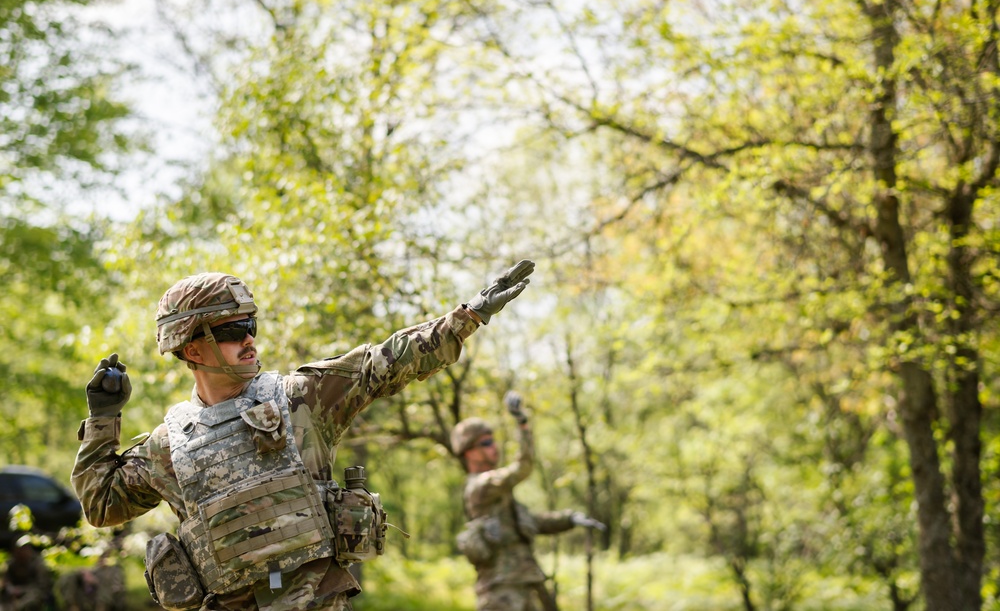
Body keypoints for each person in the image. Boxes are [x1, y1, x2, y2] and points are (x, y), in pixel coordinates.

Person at [72, 260, 534, 611]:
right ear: (192, 348)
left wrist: (467, 316)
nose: (250, 338)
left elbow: (382, 364)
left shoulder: (300, 399)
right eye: (233, 331)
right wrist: (103, 419)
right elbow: (102, 505)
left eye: (250, 325)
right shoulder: (168, 445)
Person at [451, 391, 606, 611]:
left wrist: (570, 519)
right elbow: (523, 468)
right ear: (468, 452)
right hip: (500, 590)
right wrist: (522, 425)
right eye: (486, 443)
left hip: (527, 583)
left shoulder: (498, 492)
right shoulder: (481, 486)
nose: (494, 447)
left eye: (492, 441)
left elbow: (530, 521)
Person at [0, 541, 53, 611]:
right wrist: (10, 588)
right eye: (18, 550)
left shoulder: (38, 564)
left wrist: (21, 590)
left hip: (33, 593)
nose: (21, 552)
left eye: (24, 549)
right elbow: (5, 582)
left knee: (29, 602)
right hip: (11, 596)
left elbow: (42, 587)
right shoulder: (11, 564)